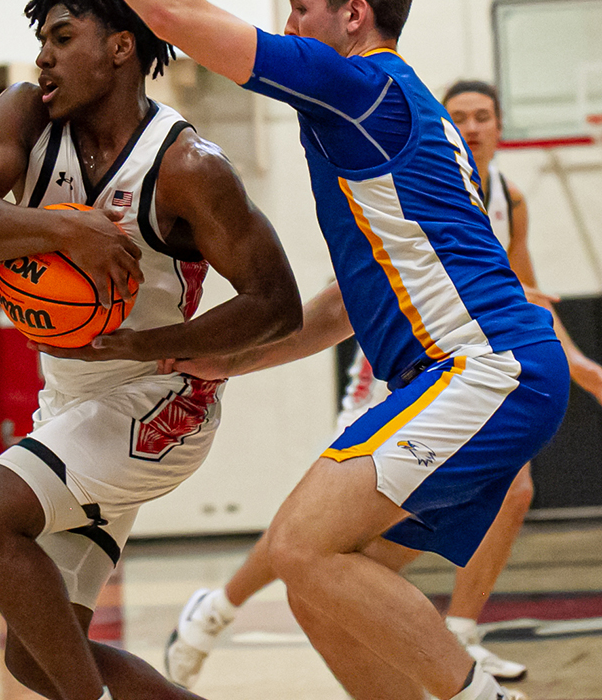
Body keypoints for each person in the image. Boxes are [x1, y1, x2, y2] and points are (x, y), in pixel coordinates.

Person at [52, 0, 569, 700]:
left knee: (299, 548)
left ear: (352, 15)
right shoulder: (389, 116)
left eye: (299, 6)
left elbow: (173, 15)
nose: (286, 24)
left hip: (483, 368)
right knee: (323, 575)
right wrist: (233, 360)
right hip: (485, 371)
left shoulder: (358, 85)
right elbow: (346, 307)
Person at [0, 0, 302, 700]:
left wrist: (154, 346)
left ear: (120, 46)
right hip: (69, 404)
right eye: (42, 42)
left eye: (63, 37)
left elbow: (276, 304)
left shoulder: (188, 165)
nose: (43, 57)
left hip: (157, 402)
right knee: (36, 658)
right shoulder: (25, 114)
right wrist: (62, 233)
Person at [163, 79, 602, 688]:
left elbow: (526, 294)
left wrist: (577, 363)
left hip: (477, 371)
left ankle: (462, 633)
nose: (472, 128)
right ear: (440, 128)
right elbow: (349, 301)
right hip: (395, 377)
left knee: (507, 492)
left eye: (484, 117)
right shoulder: (403, 181)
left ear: (501, 127)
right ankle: (219, 608)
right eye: (460, 118)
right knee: (315, 538)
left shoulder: (505, 197)